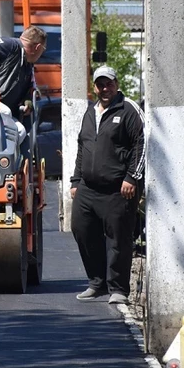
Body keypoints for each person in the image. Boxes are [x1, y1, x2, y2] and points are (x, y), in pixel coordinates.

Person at [70, 65, 145, 304]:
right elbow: (83, 148)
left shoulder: (129, 110)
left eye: (109, 83)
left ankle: (119, 289)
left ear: (117, 84)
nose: (105, 88)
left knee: (119, 240)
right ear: (94, 87)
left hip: (118, 189)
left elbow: (141, 144)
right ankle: (96, 283)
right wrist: (75, 180)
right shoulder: (90, 112)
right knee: (81, 230)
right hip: (88, 188)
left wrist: (132, 177)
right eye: (100, 84)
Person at [0, 26, 47, 119]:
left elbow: (28, 85)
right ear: (37, 47)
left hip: (4, 108)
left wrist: (27, 100)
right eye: (43, 50)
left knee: (21, 131)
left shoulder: (28, 64)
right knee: (9, 117)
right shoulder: (12, 45)